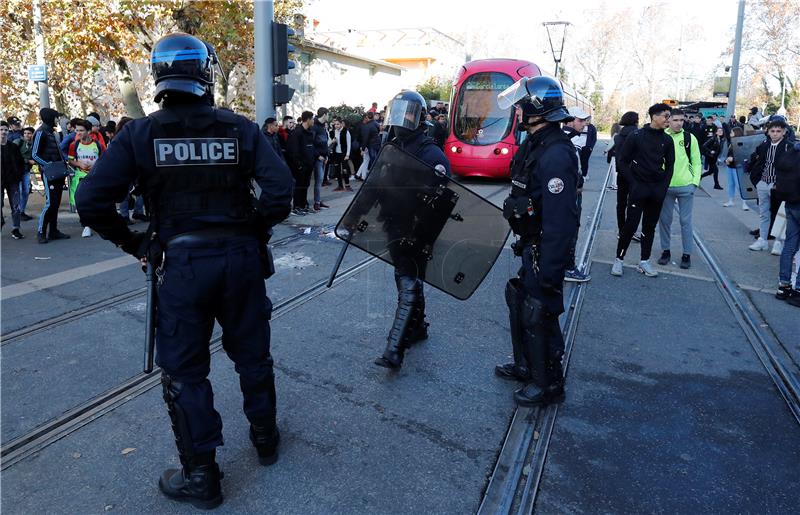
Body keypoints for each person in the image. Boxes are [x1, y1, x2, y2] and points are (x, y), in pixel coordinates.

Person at [76, 33, 293, 509]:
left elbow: (89, 200)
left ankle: (202, 477)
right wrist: (250, 230)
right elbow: (281, 192)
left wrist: (136, 243)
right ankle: (265, 438)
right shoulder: (239, 129)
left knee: (185, 373)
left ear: (159, 76)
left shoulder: (139, 134)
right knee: (253, 356)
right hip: (240, 262)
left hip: (182, 266)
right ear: (206, 73)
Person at [493, 76, 578, 406]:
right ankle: (527, 366)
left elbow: (561, 219)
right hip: (529, 242)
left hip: (544, 247)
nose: (516, 111)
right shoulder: (535, 143)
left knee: (540, 310)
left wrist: (552, 267)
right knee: (519, 300)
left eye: (521, 105)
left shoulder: (556, 153)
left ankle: (549, 385)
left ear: (535, 109)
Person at [370, 90, 452, 370]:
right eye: (399, 111)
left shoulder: (431, 154)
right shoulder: (392, 147)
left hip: (417, 229)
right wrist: (352, 217)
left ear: (419, 118)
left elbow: (443, 199)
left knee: (407, 279)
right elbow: (374, 185)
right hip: (394, 224)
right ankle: (417, 328)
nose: (402, 118)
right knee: (409, 278)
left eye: (408, 112)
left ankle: (395, 348)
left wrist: (422, 232)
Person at [612, 103, 675, 277]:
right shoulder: (636, 136)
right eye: (665, 116)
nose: (667, 120)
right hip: (638, 188)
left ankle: (644, 261)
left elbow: (670, 166)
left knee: (649, 226)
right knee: (630, 225)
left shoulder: (667, 140)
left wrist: (663, 187)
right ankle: (619, 259)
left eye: (669, 116)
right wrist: (633, 182)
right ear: (654, 116)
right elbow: (622, 160)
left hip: (656, 191)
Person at [657, 109, 702, 269]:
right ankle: (665, 251)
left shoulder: (690, 138)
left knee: (685, 222)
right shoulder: (662, 136)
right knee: (665, 221)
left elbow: (697, 162)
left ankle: (686, 254)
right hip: (666, 187)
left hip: (686, 186)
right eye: (675, 120)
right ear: (668, 120)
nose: (679, 123)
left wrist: (694, 183)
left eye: (681, 120)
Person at [747, 120, 791, 252]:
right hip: (763, 183)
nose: (775, 134)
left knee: (779, 214)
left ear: (783, 132)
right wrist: (757, 181)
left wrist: (780, 184)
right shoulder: (764, 145)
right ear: (768, 132)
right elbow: (757, 162)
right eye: (772, 131)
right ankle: (763, 240)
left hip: (778, 185)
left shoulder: (789, 147)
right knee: (764, 213)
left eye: (778, 131)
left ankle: (778, 242)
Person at [32, 107, 71, 244]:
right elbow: (34, 154)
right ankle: (41, 232)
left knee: (56, 204)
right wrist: (48, 166)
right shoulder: (40, 133)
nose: (58, 120)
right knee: (50, 204)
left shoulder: (52, 133)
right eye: (56, 117)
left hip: (58, 172)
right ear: (50, 118)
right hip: (50, 174)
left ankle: (53, 231)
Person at [774, 141, 800, 307]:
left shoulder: (792, 151)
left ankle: (783, 286)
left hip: (791, 204)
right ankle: (798, 290)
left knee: (789, 245)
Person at [67, 119, 104, 237]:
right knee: (82, 203)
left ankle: (96, 223)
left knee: (95, 202)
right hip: (80, 177)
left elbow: (105, 159)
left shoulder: (98, 144)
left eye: (81, 131)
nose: (78, 133)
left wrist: (95, 165)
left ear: (88, 131)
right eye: (77, 130)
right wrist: (79, 164)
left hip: (95, 177)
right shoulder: (74, 145)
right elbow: (70, 160)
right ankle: (86, 225)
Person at [610, 111, 640, 236]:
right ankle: (630, 231)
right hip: (636, 175)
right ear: (635, 121)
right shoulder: (639, 135)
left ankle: (621, 230)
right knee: (634, 204)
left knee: (621, 204)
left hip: (622, 174)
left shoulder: (618, 137)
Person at [287, 111, 316, 215]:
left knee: (305, 186)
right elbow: (293, 151)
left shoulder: (309, 132)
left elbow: (311, 148)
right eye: (312, 119)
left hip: (308, 165)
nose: (313, 121)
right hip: (300, 166)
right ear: (307, 119)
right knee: (299, 186)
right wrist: (299, 165)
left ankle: (303, 205)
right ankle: (297, 206)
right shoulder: (297, 133)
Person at [1, 121, 26, 239]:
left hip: (13, 181)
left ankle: (16, 228)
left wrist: (18, 175)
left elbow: (21, 163)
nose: (3, 132)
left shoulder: (13, 147)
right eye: (1, 130)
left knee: (16, 206)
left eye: (5, 130)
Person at [723, 127, 750, 210]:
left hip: (737, 168)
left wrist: (732, 159)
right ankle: (731, 201)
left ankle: (744, 202)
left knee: (739, 185)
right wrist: (726, 160)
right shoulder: (731, 142)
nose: (730, 134)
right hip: (730, 167)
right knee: (731, 184)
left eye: (732, 132)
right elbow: (728, 154)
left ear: (736, 133)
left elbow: (744, 156)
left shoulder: (741, 143)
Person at [311, 108, 331, 208]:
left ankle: (318, 200)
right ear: (324, 115)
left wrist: (326, 155)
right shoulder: (314, 126)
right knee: (319, 180)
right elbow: (311, 143)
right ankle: (317, 203)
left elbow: (325, 142)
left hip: (323, 156)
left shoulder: (322, 126)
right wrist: (318, 156)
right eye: (328, 114)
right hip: (318, 158)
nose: (329, 116)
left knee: (321, 179)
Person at [15, 126, 36, 220]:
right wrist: (28, 161)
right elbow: (14, 156)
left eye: (29, 133)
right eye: (25, 133)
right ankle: (17, 212)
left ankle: (21, 212)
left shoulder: (34, 145)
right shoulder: (18, 142)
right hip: (16, 171)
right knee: (18, 192)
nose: (27, 135)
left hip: (26, 171)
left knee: (26, 192)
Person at [328, 117, 352, 191]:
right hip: (336, 154)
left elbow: (349, 144)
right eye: (335, 124)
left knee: (345, 170)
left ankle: (347, 185)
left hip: (344, 154)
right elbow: (329, 143)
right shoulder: (334, 132)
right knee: (337, 170)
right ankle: (340, 186)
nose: (336, 126)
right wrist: (333, 141)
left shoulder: (346, 132)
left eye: (338, 124)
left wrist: (347, 154)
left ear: (341, 124)